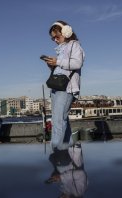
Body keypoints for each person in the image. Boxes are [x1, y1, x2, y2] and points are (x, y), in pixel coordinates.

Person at [41, 20, 85, 151]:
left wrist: (58, 61)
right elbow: (63, 69)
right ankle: (68, 150)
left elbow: (77, 64)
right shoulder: (62, 49)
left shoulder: (74, 46)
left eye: (57, 36)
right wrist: (52, 65)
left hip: (66, 88)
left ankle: (57, 151)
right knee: (61, 118)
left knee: (58, 120)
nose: (55, 40)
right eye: (53, 38)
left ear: (66, 32)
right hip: (57, 87)